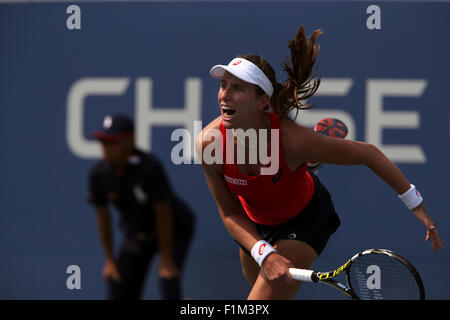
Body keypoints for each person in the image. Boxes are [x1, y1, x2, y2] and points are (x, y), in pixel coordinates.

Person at [195, 25, 443, 300]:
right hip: (254, 225)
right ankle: (306, 165)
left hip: (303, 220)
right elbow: (229, 213)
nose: (224, 95)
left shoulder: (293, 140)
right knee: (259, 288)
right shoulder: (209, 143)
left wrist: (415, 204)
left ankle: (306, 163)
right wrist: (262, 251)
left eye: (237, 88)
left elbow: (369, 154)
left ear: (262, 100)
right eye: (223, 85)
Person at [87, 113, 195, 300]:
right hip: (137, 233)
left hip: (173, 228)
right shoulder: (99, 174)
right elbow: (103, 216)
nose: (107, 148)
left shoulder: (149, 167)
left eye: (113, 142)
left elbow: (163, 213)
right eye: (104, 142)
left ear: (130, 140)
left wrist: (167, 258)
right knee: (118, 281)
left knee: (168, 279)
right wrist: (110, 260)